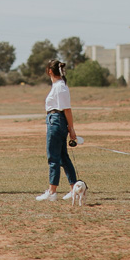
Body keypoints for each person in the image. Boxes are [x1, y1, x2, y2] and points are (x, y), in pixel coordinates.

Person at [37, 59, 79, 202]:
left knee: (53, 157)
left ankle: (52, 191)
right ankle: (74, 188)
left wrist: (71, 129)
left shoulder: (60, 87)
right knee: (63, 157)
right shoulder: (59, 86)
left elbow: (67, 109)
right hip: (56, 120)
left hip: (56, 121)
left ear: (50, 71)